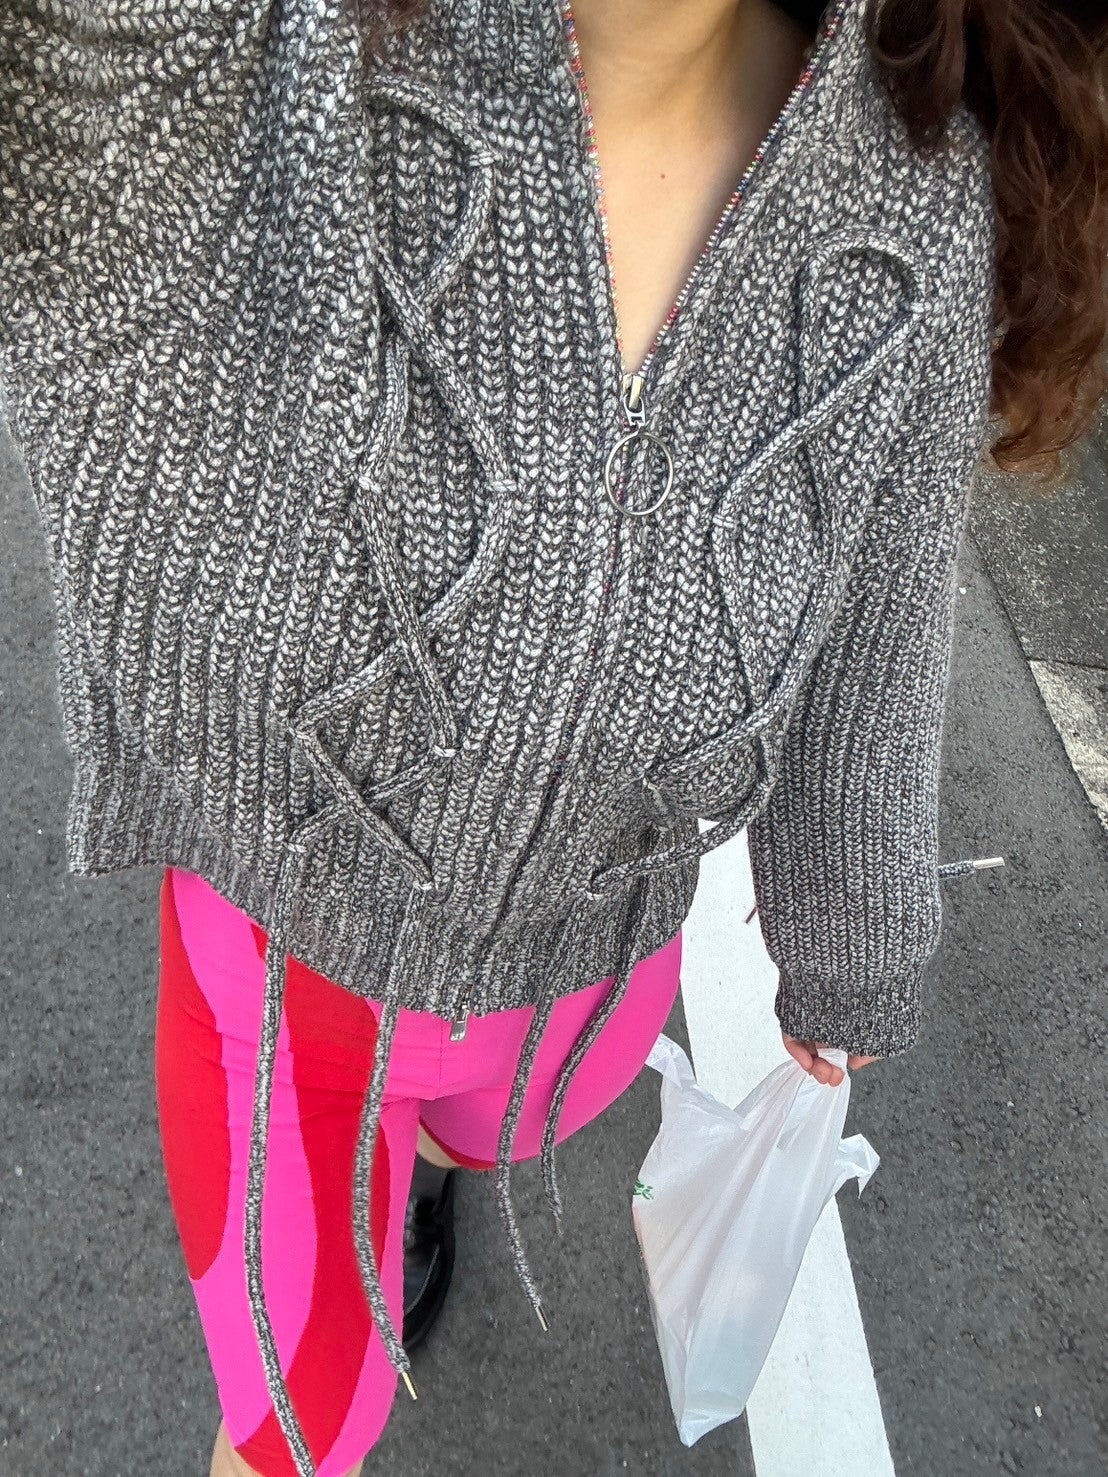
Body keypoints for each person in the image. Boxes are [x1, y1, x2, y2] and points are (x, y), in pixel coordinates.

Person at [1, 0, 1105, 1473]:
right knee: (295, 1436)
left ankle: (420, 1175)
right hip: (282, 998)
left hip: (586, 989)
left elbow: (882, 624)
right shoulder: (248, 81)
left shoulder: (913, 208)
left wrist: (853, 946)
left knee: (489, 1140)